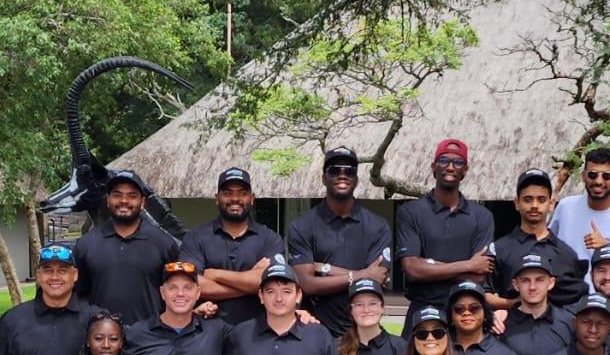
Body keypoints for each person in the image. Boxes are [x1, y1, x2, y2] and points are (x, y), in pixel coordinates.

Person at [287, 146, 391, 336]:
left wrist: (324, 268)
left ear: (356, 179)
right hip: (314, 332)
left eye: (349, 171)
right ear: (323, 178)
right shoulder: (302, 227)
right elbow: (306, 284)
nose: (342, 175)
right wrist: (360, 274)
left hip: (362, 333)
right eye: (334, 170)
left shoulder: (378, 226)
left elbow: (377, 278)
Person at [396, 138, 495, 320]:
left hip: (464, 313)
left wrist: (430, 265)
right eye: (443, 161)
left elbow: (479, 276)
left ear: (465, 170)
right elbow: (412, 269)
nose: (450, 167)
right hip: (422, 311)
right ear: (433, 167)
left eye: (457, 162)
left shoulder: (482, 217)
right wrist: (468, 265)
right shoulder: (410, 212)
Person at [180, 167, 286, 325]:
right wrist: (250, 284)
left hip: (258, 332)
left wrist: (215, 274)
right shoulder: (195, 237)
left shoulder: (270, 239)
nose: (235, 198)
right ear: (217, 198)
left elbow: (273, 283)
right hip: (206, 331)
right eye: (227, 193)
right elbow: (190, 285)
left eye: (242, 193)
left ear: (252, 198)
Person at [72, 170, 179, 324]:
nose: (124, 200)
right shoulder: (86, 244)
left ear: (142, 202)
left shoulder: (164, 243)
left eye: (132, 196)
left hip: (151, 335)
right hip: (102, 336)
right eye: (117, 195)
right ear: (107, 200)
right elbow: (78, 295)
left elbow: (176, 291)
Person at [548, 147, 610, 286]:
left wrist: (608, 247)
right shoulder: (565, 207)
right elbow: (548, 249)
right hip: (563, 296)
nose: (599, 181)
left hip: (604, 299)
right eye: (592, 175)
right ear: (583, 176)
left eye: (606, 176)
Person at [489, 169, 587, 309]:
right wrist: (512, 305)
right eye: (528, 199)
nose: (534, 205)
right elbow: (483, 294)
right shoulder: (499, 249)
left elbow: (577, 302)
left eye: (541, 200)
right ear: (517, 203)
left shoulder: (567, 254)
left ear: (551, 204)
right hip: (510, 322)